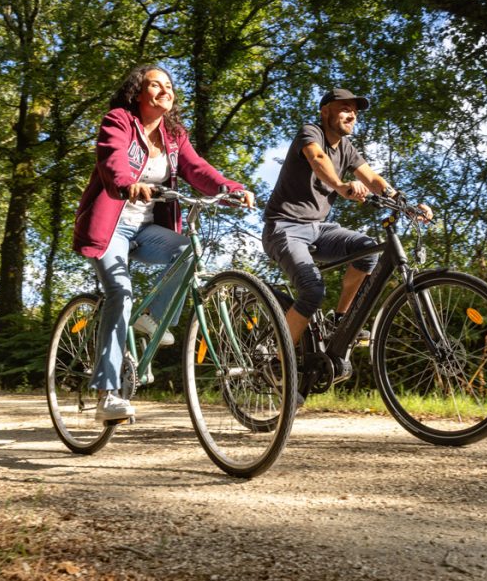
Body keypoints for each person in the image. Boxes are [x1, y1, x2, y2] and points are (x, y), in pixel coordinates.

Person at [73, 65, 254, 421]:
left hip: (145, 230)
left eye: (169, 86)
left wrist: (230, 189)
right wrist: (128, 183)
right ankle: (106, 394)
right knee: (119, 294)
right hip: (111, 228)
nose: (164, 90)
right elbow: (112, 158)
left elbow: (197, 169)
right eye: (155, 85)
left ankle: (151, 320)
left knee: (187, 251)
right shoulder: (119, 120)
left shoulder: (174, 135)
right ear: (138, 93)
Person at [262, 88, 431, 348]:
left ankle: (340, 319)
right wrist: (341, 186)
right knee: (313, 290)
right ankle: (276, 358)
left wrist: (406, 205)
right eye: (345, 108)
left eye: (355, 110)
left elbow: (374, 180)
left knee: (367, 250)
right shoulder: (311, 132)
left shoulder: (348, 149)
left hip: (317, 228)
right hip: (284, 227)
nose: (352, 114)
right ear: (325, 111)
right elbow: (317, 158)